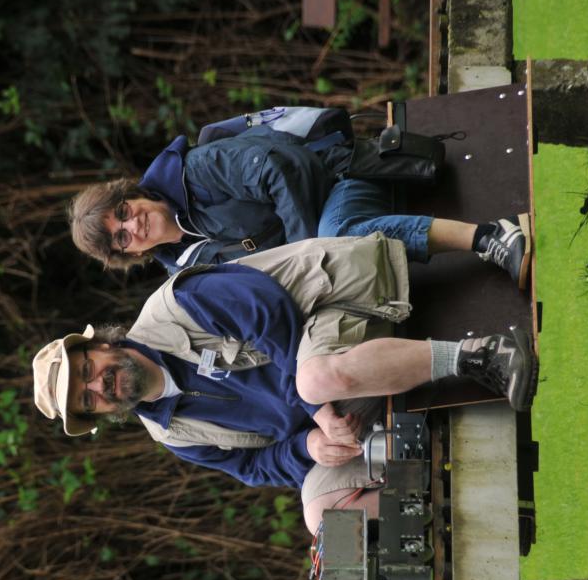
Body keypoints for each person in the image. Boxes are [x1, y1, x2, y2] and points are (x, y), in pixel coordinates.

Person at [31, 235, 537, 531]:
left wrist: (316, 411)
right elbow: (253, 466)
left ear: (101, 345)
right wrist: (309, 446)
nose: (99, 386)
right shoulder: (169, 434)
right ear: (98, 415)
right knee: (321, 514)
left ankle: (483, 355)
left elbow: (271, 314)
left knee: (313, 380)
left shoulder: (173, 306)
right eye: (86, 400)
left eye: (86, 371)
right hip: (341, 402)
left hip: (341, 299)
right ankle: (474, 512)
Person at [68, 127, 531, 285]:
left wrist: (302, 252)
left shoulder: (195, 170)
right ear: (129, 254)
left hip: (342, 178)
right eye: (121, 238)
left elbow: (280, 167)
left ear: (130, 195)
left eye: (123, 213)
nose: (133, 225)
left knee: (335, 236)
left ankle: (491, 236)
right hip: (325, 259)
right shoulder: (185, 271)